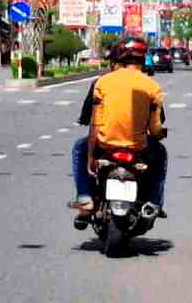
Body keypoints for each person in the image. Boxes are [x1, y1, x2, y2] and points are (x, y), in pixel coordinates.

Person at [68, 38, 168, 218]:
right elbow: (155, 128)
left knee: (78, 148)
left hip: (105, 144)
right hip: (139, 147)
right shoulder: (152, 86)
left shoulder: (103, 82)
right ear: (143, 60)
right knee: (160, 154)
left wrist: (91, 156)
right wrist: (158, 134)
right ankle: (154, 202)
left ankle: (85, 197)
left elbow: (95, 124)